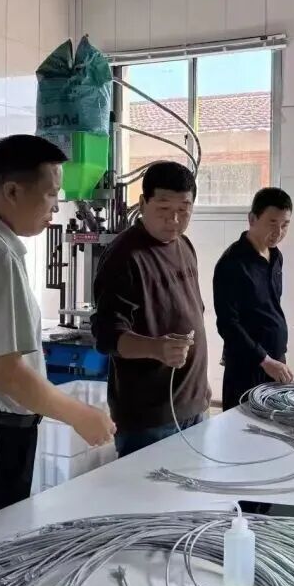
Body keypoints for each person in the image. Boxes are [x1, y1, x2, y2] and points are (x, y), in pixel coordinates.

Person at [0, 135, 115, 538]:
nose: (56, 206)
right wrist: (80, 415)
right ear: (12, 191)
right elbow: (9, 375)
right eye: (50, 194)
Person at [91, 161, 209, 457]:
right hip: (149, 417)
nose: (175, 220)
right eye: (164, 208)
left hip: (193, 404)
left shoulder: (184, 245)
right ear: (143, 204)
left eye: (184, 209)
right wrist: (156, 348)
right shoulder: (124, 256)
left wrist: (201, 385)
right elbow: (106, 336)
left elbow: (194, 313)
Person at [214, 188, 294, 410]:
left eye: (285, 225)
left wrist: (276, 358)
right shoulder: (232, 263)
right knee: (244, 426)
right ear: (252, 219)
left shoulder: (275, 256)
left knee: (276, 425)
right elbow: (228, 325)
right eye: (272, 223)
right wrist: (264, 360)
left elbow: (269, 309)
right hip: (247, 367)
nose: (278, 232)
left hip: (276, 362)